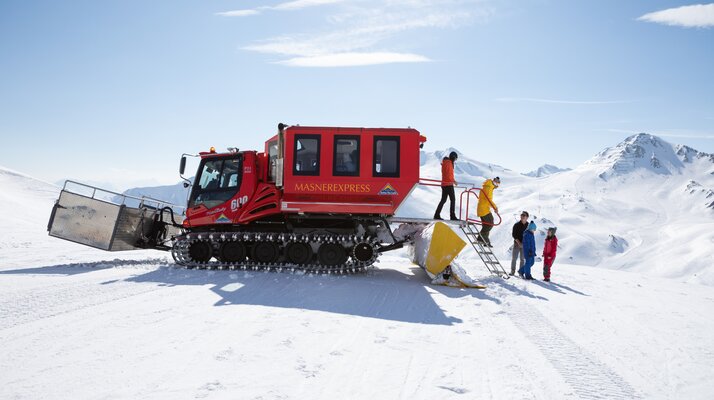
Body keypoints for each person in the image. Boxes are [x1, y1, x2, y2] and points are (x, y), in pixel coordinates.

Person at [434, 151, 459, 220]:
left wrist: (453, 181)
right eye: (455, 159)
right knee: (453, 199)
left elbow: (448, 174)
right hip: (448, 184)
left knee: (443, 200)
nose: (455, 160)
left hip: (444, 184)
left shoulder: (446, 162)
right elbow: (448, 175)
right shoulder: (449, 163)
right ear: (453, 157)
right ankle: (452, 216)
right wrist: (452, 181)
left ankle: (436, 214)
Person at [476, 176, 500, 246]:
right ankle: (481, 238)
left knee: (487, 224)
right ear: (494, 182)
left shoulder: (488, 186)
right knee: (490, 223)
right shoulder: (489, 187)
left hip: (483, 208)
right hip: (484, 209)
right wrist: (495, 207)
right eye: (497, 183)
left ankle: (485, 240)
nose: (497, 185)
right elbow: (488, 199)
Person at [510, 211, 530, 276]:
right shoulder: (516, 225)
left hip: (525, 245)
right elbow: (514, 235)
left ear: (527, 217)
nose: (522, 216)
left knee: (522, 259)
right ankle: (512, 272)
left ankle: (520, 272)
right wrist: (518, 242)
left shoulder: (528, 225)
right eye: (521, 215)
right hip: (516, 244)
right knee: (514, 258)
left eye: (524, 215)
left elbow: (530, 235)